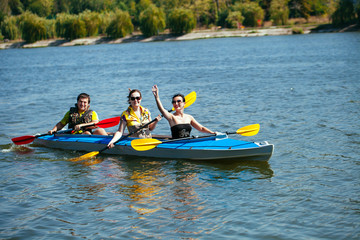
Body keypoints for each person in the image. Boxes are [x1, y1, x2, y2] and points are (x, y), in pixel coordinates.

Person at [152, 85, 216, 139]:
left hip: (186, 143)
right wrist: (157, 97)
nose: (176, 103)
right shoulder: (171, 117)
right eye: (174, 102)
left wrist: (212, 133)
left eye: (178, 101)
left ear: (184, 103)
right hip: (176, 144)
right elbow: (162, 110)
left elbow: (201, 128)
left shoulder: (189, 117)